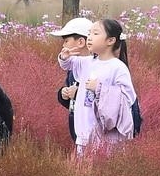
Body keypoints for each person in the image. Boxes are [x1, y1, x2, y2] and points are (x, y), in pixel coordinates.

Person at [56, 18, 137, 156]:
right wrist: (64, 57)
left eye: (95, 34)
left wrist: (99, 88)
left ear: (110, 41)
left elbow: (128, 98)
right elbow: (68, 64)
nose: (89, 38)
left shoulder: (117, 67)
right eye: (89, 33)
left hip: (107, 137)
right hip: (84, 133)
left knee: (104, 172)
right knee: (84, 173)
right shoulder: (87, 62)